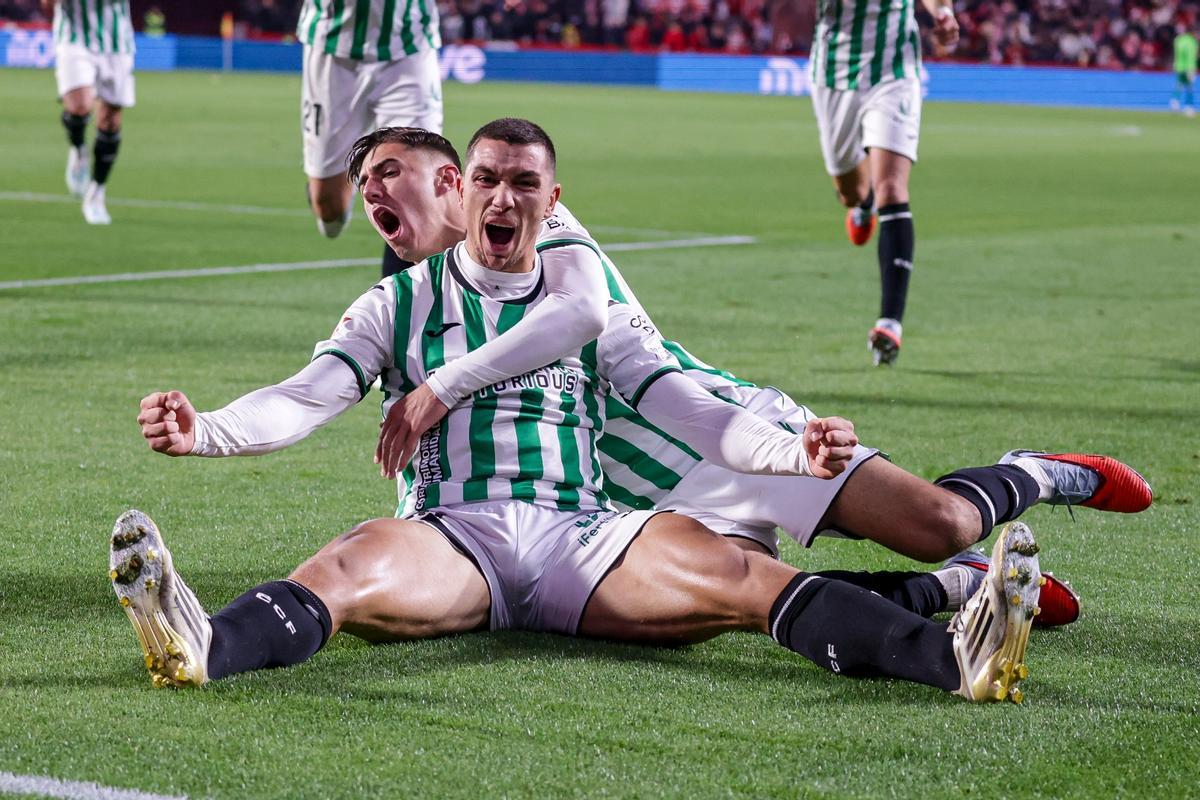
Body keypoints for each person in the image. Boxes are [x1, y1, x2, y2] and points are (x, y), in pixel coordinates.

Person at [116, 120, 1050, 702]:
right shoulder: (395, 305)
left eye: (525, 183)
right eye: (490, 179)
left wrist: (785, 451)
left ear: (551, 203)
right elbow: (306, 397)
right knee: (350, 562)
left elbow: (689, 409)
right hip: (458, 536)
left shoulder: (581, 297)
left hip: (587, 531)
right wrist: (209, 432)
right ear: (465, 190)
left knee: (736, 577)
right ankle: (205, 645)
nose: (505, 197)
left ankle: (956, 658)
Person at [807, 0, 959, 365]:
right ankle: (864, 203)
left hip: (894, 70)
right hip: (833, 71)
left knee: (893, 187)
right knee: (851, 190)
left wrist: (943, 12)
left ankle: (890, 322)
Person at [295, 0, 443, 278]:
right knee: (329, 209)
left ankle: (401, 310)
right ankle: (340, 186)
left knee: (416, 189)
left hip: (409, 46)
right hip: (332, 45)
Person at [44, 0, 135, 225]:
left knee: (111, 121)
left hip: (116, 40)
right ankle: (79, 149)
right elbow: (47, 4)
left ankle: (96, 193)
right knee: (80, 105)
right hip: (74, 36)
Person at [1172, 24, 1197, 117]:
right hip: (1188, 68)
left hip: (1179, 67)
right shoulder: (1191, 42)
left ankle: (1175, 102)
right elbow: (1191, 57)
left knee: (1180, 85)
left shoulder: (1178, 40)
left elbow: (1176, 54)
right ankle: (1188, 107)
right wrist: (1191, 70)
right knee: (1189, 87)